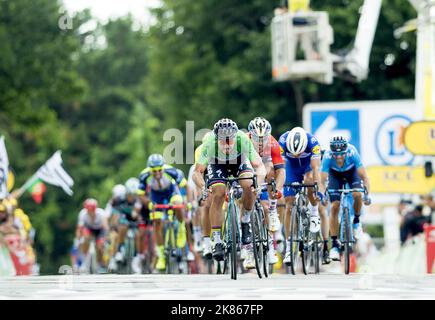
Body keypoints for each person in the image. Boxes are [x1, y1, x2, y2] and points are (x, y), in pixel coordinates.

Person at [193, 118, 266, 270]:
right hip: (217, 164)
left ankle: (245, 221)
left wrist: (258, 183)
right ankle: (217, 238)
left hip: (239, 162)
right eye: (223, 141)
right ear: (216, 139)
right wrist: (203, 187)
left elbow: (259, 166)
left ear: (235, 137)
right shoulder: (210, 144)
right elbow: (197, 172)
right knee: (218, 192)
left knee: (248, 183)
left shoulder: (242, 139)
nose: (227, 145)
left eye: (230, 141)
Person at [320, 135, 371, 261]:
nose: (339, 157)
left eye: (341, 154)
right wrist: (323, 195)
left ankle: (357, 221)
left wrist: (367, 195)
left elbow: (365, 177)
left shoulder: (352, 152)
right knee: (334, 206)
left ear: (346, 151)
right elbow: (322, 181)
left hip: (351, 173)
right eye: (336, 155)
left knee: (357, 194)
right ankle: (335, 245)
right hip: (334, 175)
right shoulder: (327, 156)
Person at [278, 126, 323, 265]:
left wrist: (318, 190)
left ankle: (314, 213)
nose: (296, 155)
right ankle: (289, 248)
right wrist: (280, 188)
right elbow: (280, 168)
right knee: (289, 204)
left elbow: (316, 169)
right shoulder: (283, 141)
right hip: (291, 168)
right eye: (294, 153)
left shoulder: (313, 142)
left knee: (310, 181)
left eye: (299, 153)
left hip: (308, 167)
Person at [137, 154, 188, 271]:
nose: (157, 173)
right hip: (156, 196)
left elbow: (185, 186)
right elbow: (140, 194)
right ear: (150, 170)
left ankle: (181, 227)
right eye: (154, 171)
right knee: (156, 222)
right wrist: (149, 203)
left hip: (171, 192)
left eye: (160, 170)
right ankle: (161, 256)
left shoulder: (171, 171)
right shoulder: (144, 175)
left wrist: (188, 202)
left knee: (177, 204)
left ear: (163, 167)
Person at [247, 117, 285, 265]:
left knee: (265, 206)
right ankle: (247, 247)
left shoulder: (273, 143)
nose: (261, 142)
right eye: (257, 138)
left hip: (264, 175)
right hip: (249, 173)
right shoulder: (244, 141)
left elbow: (280, 171)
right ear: (251, 135)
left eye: (264, 138)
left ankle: (270, 244)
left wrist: (278, 192)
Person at [76, 198, 109, 273]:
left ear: (95, 209)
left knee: (100, 245)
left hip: (100, 230)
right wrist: (78, 240)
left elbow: (105, 227)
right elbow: (79, 229)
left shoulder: (101, 213)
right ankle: (84, 261)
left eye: (92, 210)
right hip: (89, 229)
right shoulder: (83, 214)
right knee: (85, 238)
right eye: (89, 211)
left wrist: (105, 239)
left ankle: (100, 264)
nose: (90, 213)